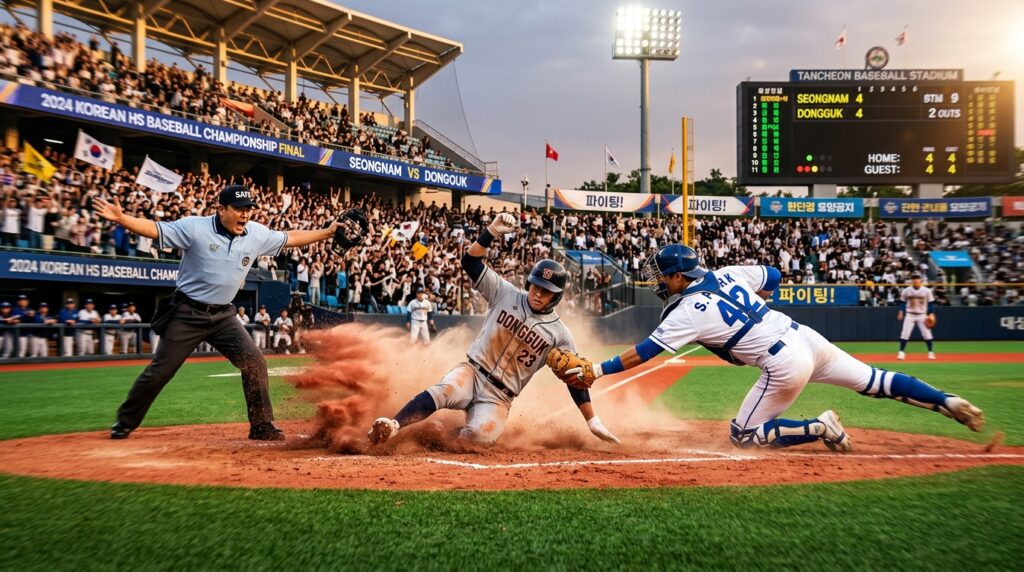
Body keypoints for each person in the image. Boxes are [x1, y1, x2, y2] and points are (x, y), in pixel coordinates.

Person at [561, 244, 984, 451]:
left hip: (784, 362)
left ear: (677, 277)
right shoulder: (728, 273)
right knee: (876, 379)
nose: (659, 280)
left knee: (742, 437)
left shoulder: (687, 310)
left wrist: (595, 371)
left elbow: (645, 351)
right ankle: (947, 401)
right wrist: (761, 301)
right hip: (805, 336)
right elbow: (774, 274)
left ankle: (821, 427)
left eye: (663, 275)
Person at [93, 184, 347, 441]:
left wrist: (327, 233)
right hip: (188, 313)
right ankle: (125, 422)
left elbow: (290, 238)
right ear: (221, 209)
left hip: (224, 316)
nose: (245, 214)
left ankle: (261, 425)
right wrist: (122, 218)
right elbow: (155, 229)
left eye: (248, 209)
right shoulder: (194, 227)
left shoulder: (255, 234)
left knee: (254, 362)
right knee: (161, 371)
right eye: (238, 209)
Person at [368, 213, 619, 446]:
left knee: (479, 436)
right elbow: (470, 261)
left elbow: (575, 379)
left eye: (546, 291)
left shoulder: (560, 334)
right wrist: (490, 232)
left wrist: (592, 421)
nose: (538, 293)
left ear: (557, 296)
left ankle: (438, 435)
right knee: (444, 390)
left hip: (500, 397)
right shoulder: (505, 292)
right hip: (473, 372)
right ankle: (393, 425)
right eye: (535, 286)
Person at [898, 273, 936, 360]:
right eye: (914, 278)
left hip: (922, 315)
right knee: (905, 333)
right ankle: (901, 352)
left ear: (921, 280)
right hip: (910, 314)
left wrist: (931, 313)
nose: (916, 280)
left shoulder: (927, 291)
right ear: (912, 280)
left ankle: (930, 352)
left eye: (917, 278)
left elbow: (931, 303)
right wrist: (901, 311)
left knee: (927, 334)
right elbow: (902, 302)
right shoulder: (906, 290)